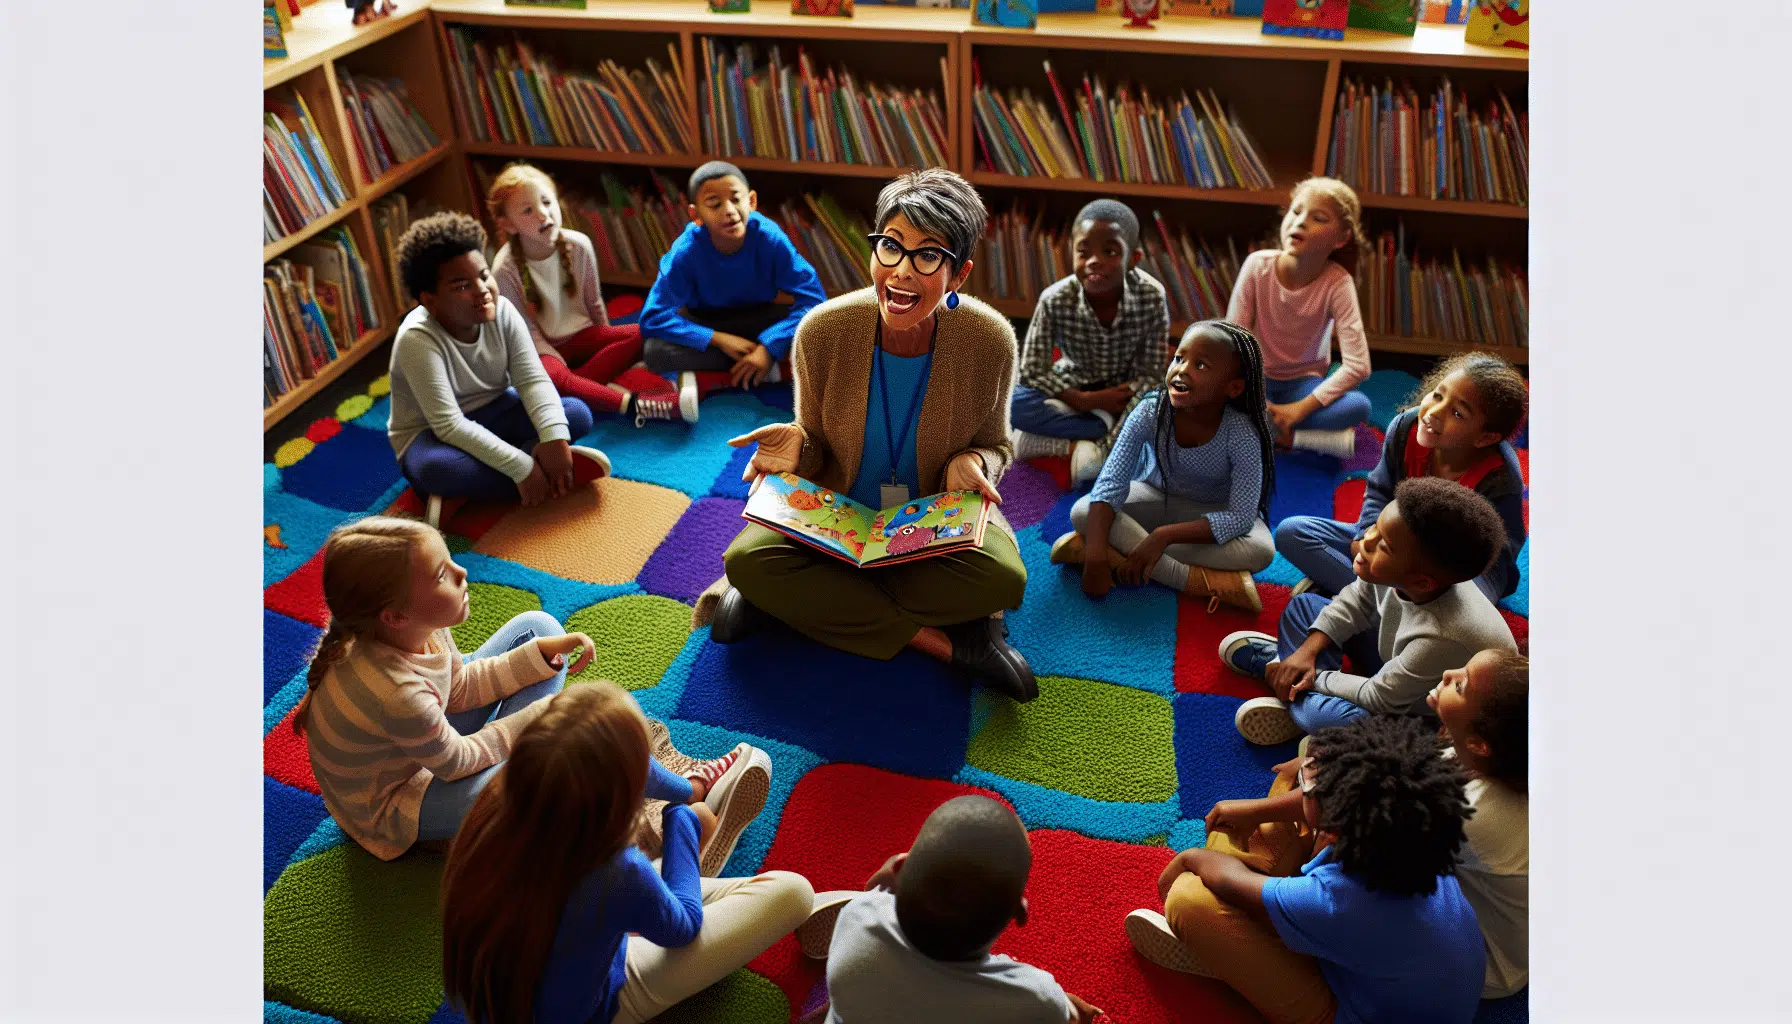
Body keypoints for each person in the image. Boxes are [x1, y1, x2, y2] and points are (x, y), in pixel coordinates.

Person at [706, 169, 1037, 702]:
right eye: (890, 246)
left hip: (931, 522)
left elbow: (998, 444)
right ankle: (946, 645)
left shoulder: (990, 340)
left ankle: (806, 603)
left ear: (959, 274)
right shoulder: (822, 330)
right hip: (836, 521)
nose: (901, 271)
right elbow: (814, 441)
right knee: (745, 560)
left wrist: (973, 463)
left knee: (1003, 578)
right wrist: (799, 446)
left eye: (928, 255)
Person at [294, 517, 771, 869]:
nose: (462, 572)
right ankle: (677, 801)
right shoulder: (394, 693)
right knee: (542, 766)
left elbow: (457, 688)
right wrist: (536, 719)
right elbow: (457, 761)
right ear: (395, 616)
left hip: (420, 752)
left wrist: (538, 657)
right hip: (397, 805)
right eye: (441, 574)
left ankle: (654, 796)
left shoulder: (417, 630)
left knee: (536, 628)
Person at [441, 683, 818, 1024]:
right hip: (596, 1008)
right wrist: (680, 818)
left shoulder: (494, 808)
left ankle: (670, 874)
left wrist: (687, 790)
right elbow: (682, 929)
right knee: (793, 892)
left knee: (676, 843)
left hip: (507, 999)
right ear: (620, 802)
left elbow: (626, 773)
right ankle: (678, 871)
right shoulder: (616, 871)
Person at [1125, 716, 1485, 1024]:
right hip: (1395, 977)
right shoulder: (1410, 841)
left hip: (1351, 1011)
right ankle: (1244, 935)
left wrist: (1188, 858)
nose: (1308, 783)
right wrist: (1259, 809)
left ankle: (1221, 950)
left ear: (1338, 828)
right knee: (1287, 782)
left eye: (1316, 790)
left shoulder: (1336, 900)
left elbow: (1226, 879)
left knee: (1190, 900)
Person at [1219, 477, 1517, 745]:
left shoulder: (1442, 636)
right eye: (1375, 527)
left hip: (1426, 712)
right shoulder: (1407, 574)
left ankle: (1286, 680)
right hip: (1397, 666)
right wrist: (1308, 650)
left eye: (1384, 546)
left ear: (1422, 581)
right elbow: (1357, 600)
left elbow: (1380, 696)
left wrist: (1315, 676)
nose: (1365, 541)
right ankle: (1292, 681)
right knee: (1305, 606)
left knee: (1322, 718)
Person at [385, 212, 611, 513]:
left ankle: (498, 477)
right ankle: (536, 471)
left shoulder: (502, 311)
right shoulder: (416, 339)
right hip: (433, 434)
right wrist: (521, 467)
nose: (482, 290)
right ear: (430, 300)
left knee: (576, 414)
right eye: (461, 285)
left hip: (496, 409)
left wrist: (554, 437)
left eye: (483, 275)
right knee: (436, 470)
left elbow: (532, 380)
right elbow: (449, 425)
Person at [807, 796, 1105, 1024]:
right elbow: (1062, 1014)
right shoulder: (1036, 996)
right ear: (1017, 914)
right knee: (1072, 1010)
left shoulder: (859, 914)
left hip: (859, 1002)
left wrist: (888, 875)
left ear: (899, 868)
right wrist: (1070, 1008)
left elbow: (874, 888)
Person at [1050, 320, 1276, 612]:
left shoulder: (1242, 432)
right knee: (1083, 511)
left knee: (1262, 550)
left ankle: (1124, 552)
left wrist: (1161, 537)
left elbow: (1241, 517)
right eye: (1179, 358)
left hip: (1208, 516)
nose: (1181, 370)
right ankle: (1192, 580)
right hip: (1155, 499)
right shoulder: (1149, 410)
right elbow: (1109, 484)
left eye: (1201, 365)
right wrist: (1095, 559)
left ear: (1233, 388)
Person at [1276, 351, 1529, 602]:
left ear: (1485, 438)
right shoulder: (1405, 428)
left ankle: (1359, 598)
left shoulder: (1500, 476)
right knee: (1292, 533)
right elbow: (1379, 490)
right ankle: (1384, 605)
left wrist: (1434, 575)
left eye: (1458, 413)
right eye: (1438, 395)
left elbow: (1499, 556)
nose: (1434, 412)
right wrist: (1365, 534)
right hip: (1395, 543)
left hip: (1452, 568)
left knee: (1466, 603)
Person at [486, 163, 689, 426]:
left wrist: (606, 345)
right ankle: (636, 406)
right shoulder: (504, 269)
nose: (543, 214)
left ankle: (580, 388)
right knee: (553, 378)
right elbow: (525, 332)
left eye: (547, 202)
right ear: (507, 224)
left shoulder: (579, 245)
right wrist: (559, 362)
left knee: (647, 331)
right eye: (528, 210)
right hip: (542, 351)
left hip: (583, 337)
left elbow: (594, 304)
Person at [639, 161, 828, 415]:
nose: (729, 211)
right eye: (715, 204)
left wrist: (768, 345)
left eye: (736, 199)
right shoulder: (686, 251)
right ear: (695, 215)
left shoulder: (770, 238)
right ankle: (771, 369)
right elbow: (652, 317)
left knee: (820, 328)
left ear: (751, 201)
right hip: (708, 322)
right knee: (654, 352)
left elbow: (814, 300)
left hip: (761, 318)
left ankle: (731, 370)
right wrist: (719, 340)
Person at [1009, 199, 1171, 486]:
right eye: (1084, 252)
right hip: (1074, 388)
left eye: (1109, 252)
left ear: (1133, 260)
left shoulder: (1151, 296)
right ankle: (1090, 434)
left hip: (1127, 393)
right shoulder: (1055, 298)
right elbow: (1032, 370)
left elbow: (1152, 373)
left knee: (1168, 405)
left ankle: (1077, 444)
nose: (1094, 261)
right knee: (1014, 403)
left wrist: (1114, 439)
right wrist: (1086, 400)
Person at [1225, 177, 1372, 460]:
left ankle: (1273, 433)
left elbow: (1359, 365)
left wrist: (1297, 410)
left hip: (1302, 386)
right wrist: (1258, 399)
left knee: (1358, 406)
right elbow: (1234, 343)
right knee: (1205, 393)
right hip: (1252, 380)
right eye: (1295, 212)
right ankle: (1296, 439)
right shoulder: (1258, 266)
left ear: (1341, 238)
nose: (1300, 222)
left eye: (1318, 217)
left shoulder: (1338, 283)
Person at [1429, 648, 1529, 999]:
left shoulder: (1476, 813)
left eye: (1461, 685)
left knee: (1348, 881)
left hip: (1487, 965)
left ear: (1480, 743)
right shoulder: (1493, 755)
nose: (1447, 674)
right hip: (1485, 909)